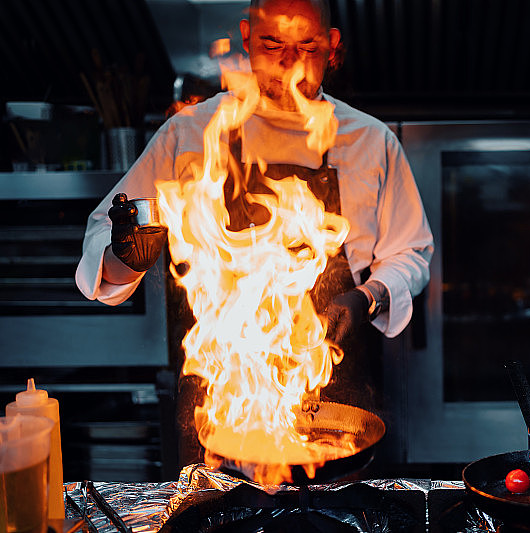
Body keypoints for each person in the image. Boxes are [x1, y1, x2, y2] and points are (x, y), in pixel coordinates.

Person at [75, 0, 433, 467]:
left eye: (307, 45)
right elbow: (105, 253)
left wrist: (368, 298)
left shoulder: (371, 140)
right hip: (218, 397)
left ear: (332, 45)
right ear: (246, 37)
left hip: (334, 395)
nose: (289, 64)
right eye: (272, 44)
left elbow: (412, 253)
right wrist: (130, 254)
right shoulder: (191, 133)